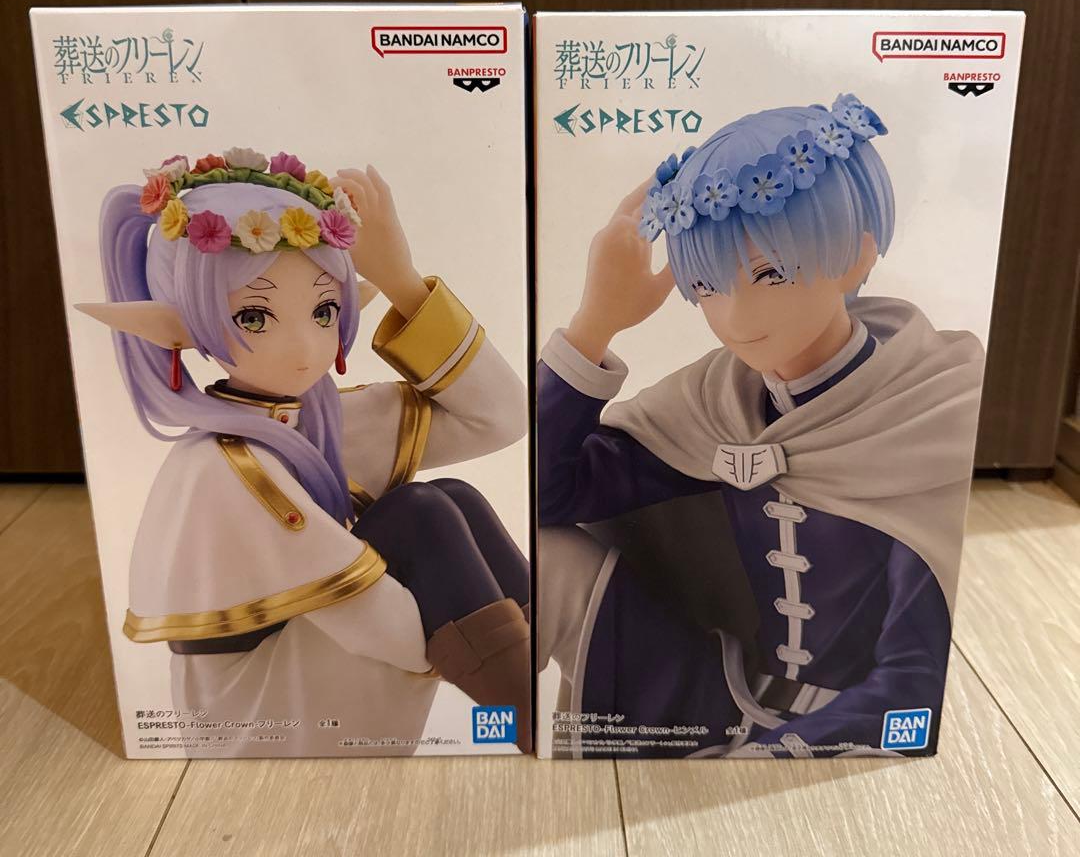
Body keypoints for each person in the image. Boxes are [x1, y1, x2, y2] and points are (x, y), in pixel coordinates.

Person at [537, 95, 984, 758]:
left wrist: (770, 757)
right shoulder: (714, 403)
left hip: (847, 730)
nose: (736, 316)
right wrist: (595, 323)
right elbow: (546, 496)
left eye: (770, 274)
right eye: (709, 286)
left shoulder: (929, 414)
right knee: (547, 556)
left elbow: (912, 679)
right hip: (717, 696)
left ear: (857, 256)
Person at [80, 149, 530, 756]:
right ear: (179, 326)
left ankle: (538, 686)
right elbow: (375, 625)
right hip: (264, 713)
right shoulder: (220, 465)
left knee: (453, 498)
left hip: (335, 664)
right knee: (422, 515)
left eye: (323, 311)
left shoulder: (324, 421)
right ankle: (529, 717)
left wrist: (402, 280)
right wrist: (447, 622)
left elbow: (500, 417)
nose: (303, 346)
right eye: (254, 316)